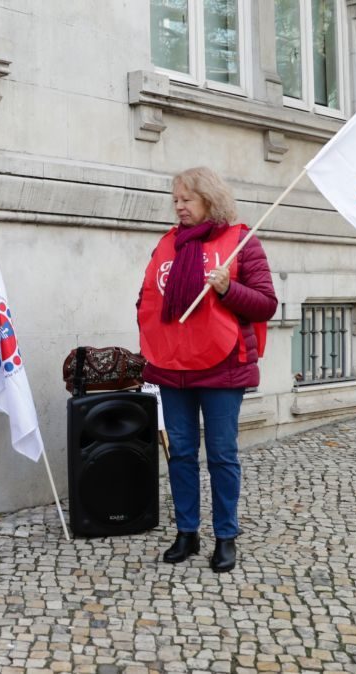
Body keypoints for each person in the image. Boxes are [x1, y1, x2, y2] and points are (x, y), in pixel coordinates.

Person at [136, 167, 277, 573]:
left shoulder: (241, 243)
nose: (178, 206)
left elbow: (266, 303)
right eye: (175, 200)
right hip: (171, 367)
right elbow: (147, 297)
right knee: (180, 453)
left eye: (187, 199)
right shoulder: (168, 244)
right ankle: (187, 532)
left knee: (221, 455)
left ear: (210, 201)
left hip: (222, 368)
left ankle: (226, 536)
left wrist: (227, 289)